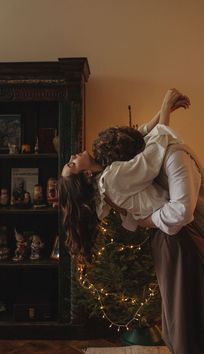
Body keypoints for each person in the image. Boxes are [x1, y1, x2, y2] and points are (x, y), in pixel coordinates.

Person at [59, 89, 204, 354]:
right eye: (73, 163)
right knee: (183, 311)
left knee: (178, 309)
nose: (75, 155)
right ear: (83, 176)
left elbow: (140, 137)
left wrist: (165, 111)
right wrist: (164, 107)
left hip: (165, 235)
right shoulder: (111, 177)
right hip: (174, 234)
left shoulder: (108, 177)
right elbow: (151, 154)